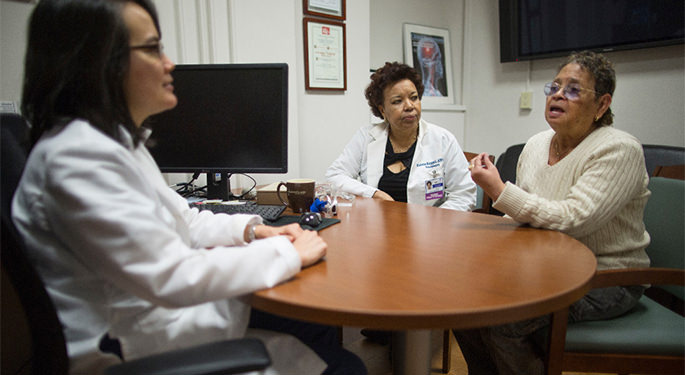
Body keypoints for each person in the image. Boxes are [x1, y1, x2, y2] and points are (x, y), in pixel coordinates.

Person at [12, 1, 366, 374]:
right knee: (346, 366)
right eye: (152, 48)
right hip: (131, 347)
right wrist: (288, 252)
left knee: (311, 318)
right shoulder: (77, 157)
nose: (169, 64)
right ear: (97, 61)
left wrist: (254, 229)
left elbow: (184, 219)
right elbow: (172, 275)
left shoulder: (113, 143)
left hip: (153, 315)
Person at [457, 51, 650, 374]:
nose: (558, 95)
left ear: (602, 105)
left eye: (573, 90)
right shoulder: (534, 144)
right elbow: (523, 215)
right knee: (462, 303)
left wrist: (499, 191)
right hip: (545, 269)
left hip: (605, 278)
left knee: (506, 316)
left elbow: (573, 220)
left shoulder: (619, 149)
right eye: (554, 87)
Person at [326, 61, 476, 212]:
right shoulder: (366, 137)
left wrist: (435, 222)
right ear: (382, 110)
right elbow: (335, 176)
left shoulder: (442, 140)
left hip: (429, 230)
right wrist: (374, 194)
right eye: (398, 101)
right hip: (376, 227)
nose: (410, 106)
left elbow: (464, 194)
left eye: (414, 97)